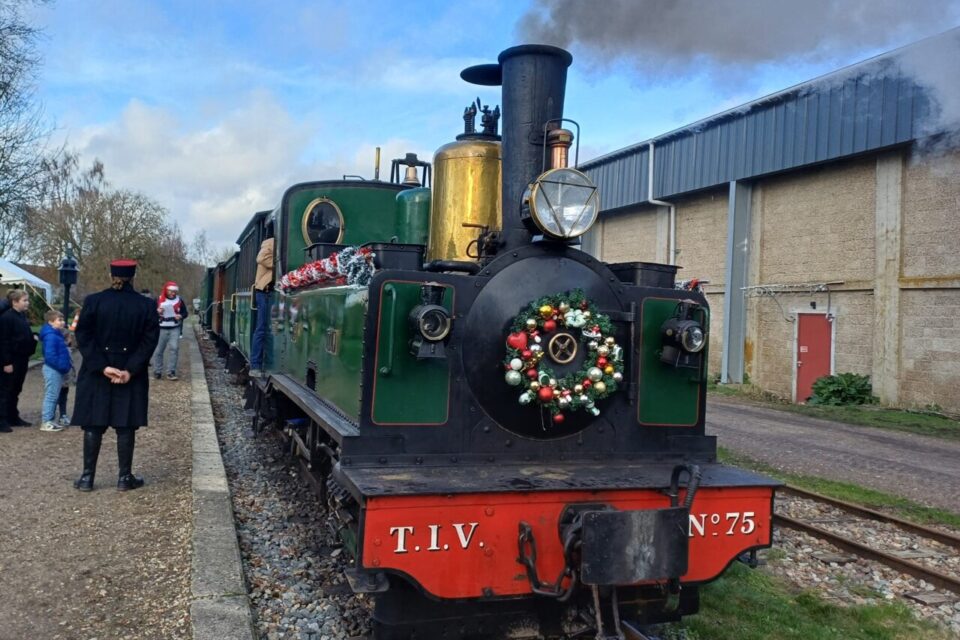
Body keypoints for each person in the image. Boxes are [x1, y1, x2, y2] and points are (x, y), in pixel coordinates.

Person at [73, 259, 160, 491]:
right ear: (133, 276)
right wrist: (130, 370)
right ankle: (124, 478)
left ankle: (87, 478)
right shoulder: (146, 305)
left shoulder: (93, 301)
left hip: (96, 372)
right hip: (129, 373)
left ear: (111, 275)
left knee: (93, 424)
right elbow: (149, 342)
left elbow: (83, 336)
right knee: (126, 425)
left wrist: (102, 366)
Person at [0, 289, 38, 432]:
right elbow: (3, 341)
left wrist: (33, 338)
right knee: (5, 390)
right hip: (12, 359)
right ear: (15, 302)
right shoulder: (6, 318)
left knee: (16, 388)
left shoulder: (21, 316)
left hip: (22, 358)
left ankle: (12, 416)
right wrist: (6, 362)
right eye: (24, 300)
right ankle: (1, 419)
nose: (27, 303)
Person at [250, 221, 275, 377]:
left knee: (268, 329)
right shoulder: (270, 242)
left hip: (268, 292)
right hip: (264, 291)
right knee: (261, 328)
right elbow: (261, 258)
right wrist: (278, 263)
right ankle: (255, 365)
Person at [39, 310, 71, 432]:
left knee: (54, 395)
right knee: (51, 395)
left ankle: (50, 420)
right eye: (59, 320)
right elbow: (50, 356)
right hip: (54, 369)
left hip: (56, 368)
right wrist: (62, 366)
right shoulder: (51, 336)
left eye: (63, 320)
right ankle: (46, 421)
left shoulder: (55, 334)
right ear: (51, 322)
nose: (63, 322)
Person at [152, 281, 188, 381]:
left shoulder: (179, 300)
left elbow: (185, 313)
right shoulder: (158, 299)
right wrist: (157, 311)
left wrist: (180, 315)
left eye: (174, 292)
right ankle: (157, 371)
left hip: (174, 327)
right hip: (161, 328)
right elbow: (150, 312)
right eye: (171, 291)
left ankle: (171, 372)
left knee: (174, 349)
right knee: (159, 350)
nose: (173, 293)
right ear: (166, 290)